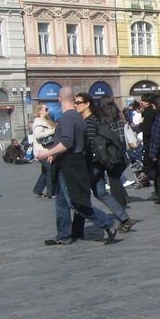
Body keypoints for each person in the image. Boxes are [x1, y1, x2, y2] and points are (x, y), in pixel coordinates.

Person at [35, 87, 118, 245]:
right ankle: (63, 235)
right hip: (70, 162)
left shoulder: (67, 118)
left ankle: (107, 222)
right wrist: (54, 154)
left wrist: (47, 153)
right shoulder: (79, 117)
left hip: (69, 164)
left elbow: (66, 143)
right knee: (61, 202)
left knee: (76, 203)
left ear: (60, 99)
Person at [94, 95, 133, 210]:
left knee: (113, 178)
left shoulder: (104, 119)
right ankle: (124, 197)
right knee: (116, 176)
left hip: (111, 151)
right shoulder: (118, 115)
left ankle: (119, 203)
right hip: (121, 149)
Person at [32, 103, 56, 198]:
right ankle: (51, 193)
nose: (48, 111)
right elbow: (37, 135)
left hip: (47, 149)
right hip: (41, 150)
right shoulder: (38, 122)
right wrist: (51, 131)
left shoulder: (46, 120)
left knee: (46, 170)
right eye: (46, 109)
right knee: (49, 169)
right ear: (40, 111)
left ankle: (37, 190)